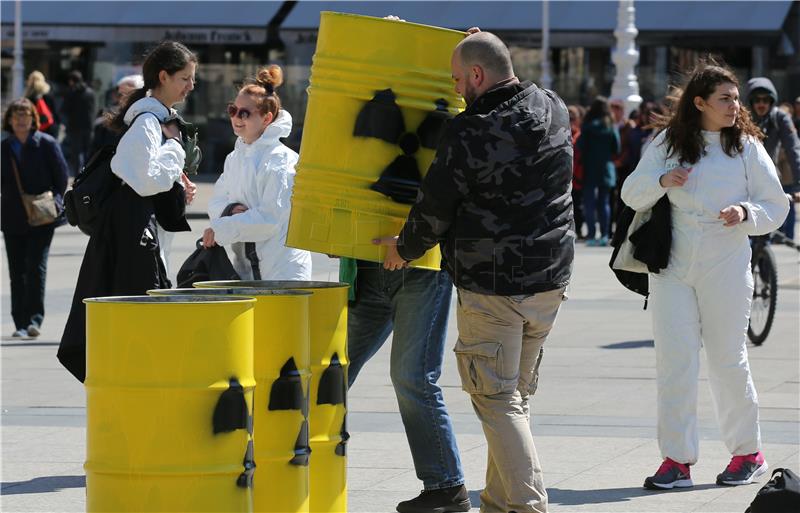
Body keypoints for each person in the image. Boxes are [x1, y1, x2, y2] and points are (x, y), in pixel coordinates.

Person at [379, 31, 574, 513]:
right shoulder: (554, 107)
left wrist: (403, 248)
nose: (456, 89)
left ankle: (527, 506)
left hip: (494, 283)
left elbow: (436, 204)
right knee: (512, 397)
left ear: (477, 76)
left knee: (495, 398)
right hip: (550, 279)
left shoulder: (471, 130)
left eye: (458, 79)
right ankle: (498, 503)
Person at [621, 62, 789, 490]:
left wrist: (746, 212)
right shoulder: (667, 141)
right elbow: (631, 192)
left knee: (727, 360)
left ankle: (747, 452)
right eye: (725, 99)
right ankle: (676, 461)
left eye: (736, 99)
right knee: (675, 362)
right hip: (673, 266)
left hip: (726, 262)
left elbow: (777, 204)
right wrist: (661, 179)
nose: (736, 105)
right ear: (699, 103)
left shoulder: (747, 146)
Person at [58, 41, 197, 382]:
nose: (191, 86)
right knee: (137, 313)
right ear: (163, 77)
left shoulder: (153, 119)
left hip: (129, 232)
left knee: (130, 314)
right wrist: (175, 150)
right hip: (130, 236)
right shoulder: (149, 121)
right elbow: (141, 177)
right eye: (185, 78)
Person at [203, 65, 311, 280]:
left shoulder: (281, 159)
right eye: (233, 110)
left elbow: (270, 218)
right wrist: (231, 211)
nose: (236, 118)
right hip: (246, 269)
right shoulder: (235, 158)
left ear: (266, 118)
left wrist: (221, 228)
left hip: (282, 270)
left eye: (245, 113)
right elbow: (216, 202)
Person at [1, 98, 69, 339]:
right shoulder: (5, 147)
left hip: (42, 216)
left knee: (36, 268)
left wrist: (56, 203)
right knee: (17, 270)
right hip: (12, 217)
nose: (21, 120)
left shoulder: (47, 144)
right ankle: (19, 322)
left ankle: (34, 320)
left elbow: (61, 178)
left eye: (25, 116)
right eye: (16, 116)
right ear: (9, 120)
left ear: (33, 119)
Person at [746, 77, 800, 240]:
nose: (761, 104)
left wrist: (799, 185)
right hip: (743, 180)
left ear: (772, 101)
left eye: (766, 99)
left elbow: (794, 150)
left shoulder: (780, 118)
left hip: (770, 180)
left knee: (765, 233)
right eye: (757, 99)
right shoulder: (741, 117)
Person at [577, 96, 621, 246]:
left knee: (589, 203)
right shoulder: (610, 126)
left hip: (589, 168)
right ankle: (604, 235)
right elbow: (617, 148)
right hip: (606, 168)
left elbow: (580, 146)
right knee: (604, 203)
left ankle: (590, 236)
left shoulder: (587, 126)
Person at [61, 70, 96, 177]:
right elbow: (94, 109)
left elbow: (64, 109)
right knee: (87, 152)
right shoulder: (91, 92)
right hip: (89, 127)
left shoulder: (71, 93)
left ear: (72, 81)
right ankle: (88, 174)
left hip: (74, 127)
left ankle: (78, 175)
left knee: (76, 154)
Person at [24, 71, 60, 139]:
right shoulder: (49, 94)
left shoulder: (28, 97)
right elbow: (55, 111)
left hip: (34, 129)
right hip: (49, 126)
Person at [569, 105, 586, 239]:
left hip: (578, 176)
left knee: (578, 206)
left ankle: (579, 230)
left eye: (573, 118)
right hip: (566, 177)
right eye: (569, 118)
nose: (571, 121)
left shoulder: (580, 135)